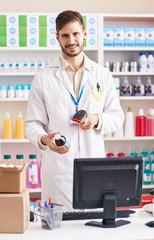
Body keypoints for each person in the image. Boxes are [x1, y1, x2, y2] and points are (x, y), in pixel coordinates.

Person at [25, 10, 124, 211]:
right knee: (57, 228)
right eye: (65, 35)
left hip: (93, 166)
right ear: (57, 38)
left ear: (85, 34)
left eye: (76, 34)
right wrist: (45, 139)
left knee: (94, 226)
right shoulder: (44, 77)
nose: (71, 40)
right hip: (58, 169)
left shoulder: (101, 74)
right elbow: (32, 124)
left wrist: (96, 119)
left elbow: (117, 116)